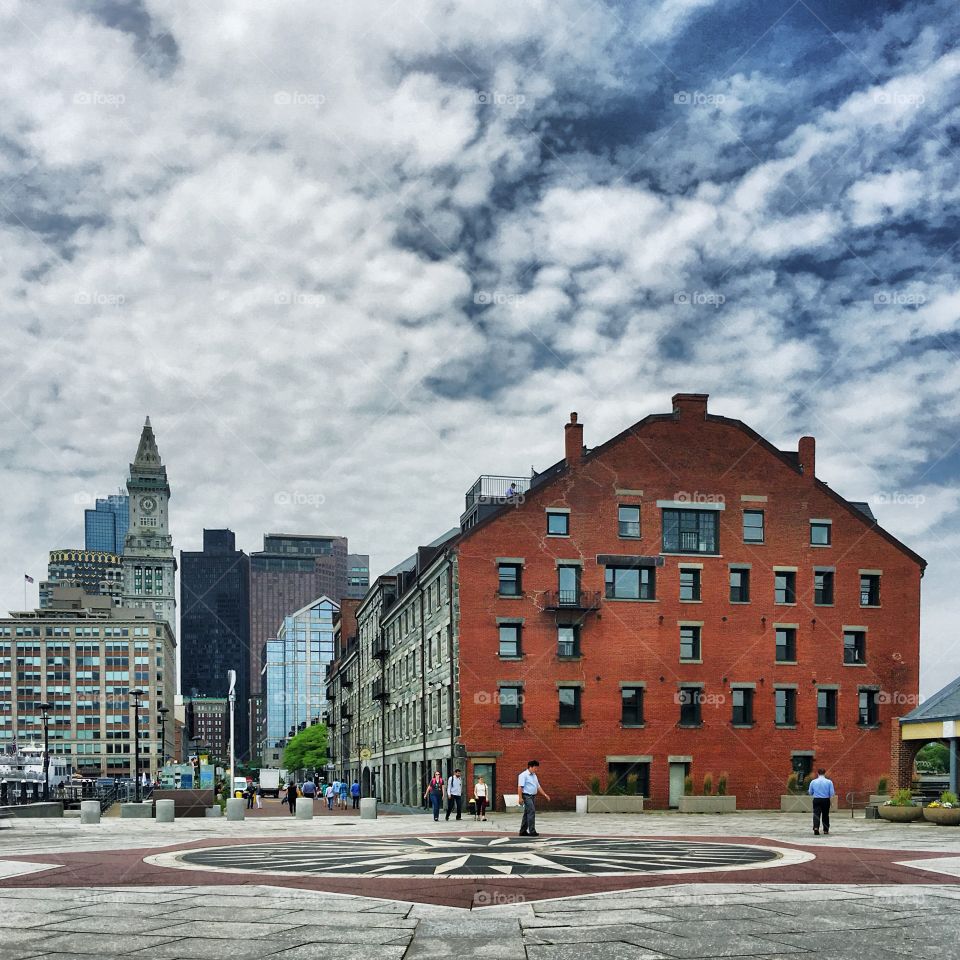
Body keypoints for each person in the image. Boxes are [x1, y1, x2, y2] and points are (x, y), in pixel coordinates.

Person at [518, 759, 550, 837]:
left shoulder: (534, 775)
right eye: (535, 768)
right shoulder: (523, 775)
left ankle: (522, 831)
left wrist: (545, 795)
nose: (536, 769)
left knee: (527, 813)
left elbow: (538, 786)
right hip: (526, 796)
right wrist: (520, 798)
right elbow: (520, 787)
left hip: (532, 796)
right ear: (530, 767)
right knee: (531, 811)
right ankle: (532, 831)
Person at [808, 767, 836, 835]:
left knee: (816, 814)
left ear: (817, 773)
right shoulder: (829, 782)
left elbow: (810, 792)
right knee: (825, 815)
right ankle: (826, 830)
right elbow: (832, 793)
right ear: (824, 773)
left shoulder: (813, 781)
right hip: (825, 800)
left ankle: (816, 828)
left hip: (816, 799)